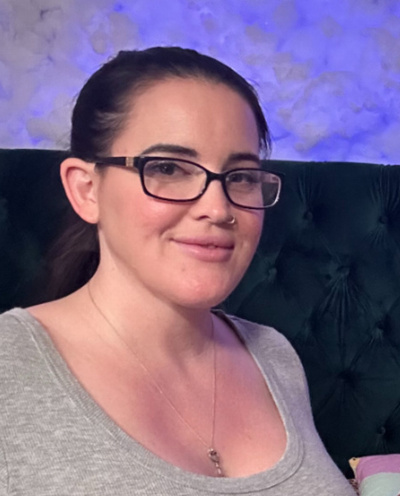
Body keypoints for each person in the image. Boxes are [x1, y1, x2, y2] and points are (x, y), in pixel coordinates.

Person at [0, 47, 354, 495]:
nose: (217, 208)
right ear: (86, 189)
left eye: (241, 176)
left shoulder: (275, 356)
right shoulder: (10, 366)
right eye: (168, 168)